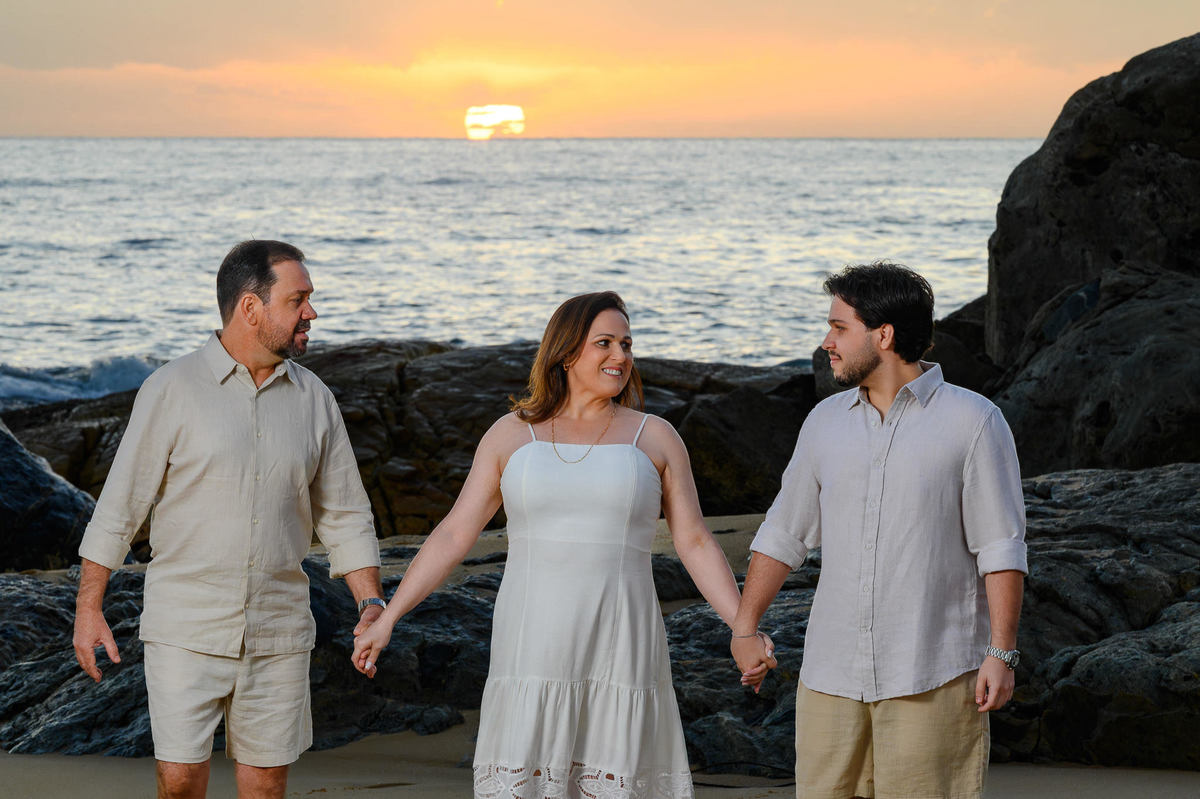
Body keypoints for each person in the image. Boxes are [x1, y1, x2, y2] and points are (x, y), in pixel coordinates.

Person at [352, 291, 765, 798]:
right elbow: (455, 534)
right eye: (605, 343)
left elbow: (696, 541)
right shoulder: (510, 434)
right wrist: (389, 617)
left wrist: (742, 629)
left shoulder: (654, 437)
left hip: (622, 638)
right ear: (567, 353)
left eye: (627, 344)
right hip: (533, 641)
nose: (621, 356)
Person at [72, 240, 386, 799]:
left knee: (266, 790)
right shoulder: (170, 389)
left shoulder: (316, 400)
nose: (311, 312)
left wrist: (370, 604)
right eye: (299, 300)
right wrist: (88, 608)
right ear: (250, 307)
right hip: (185, 629)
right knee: (180, 784)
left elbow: (345, 516)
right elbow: (121, 507)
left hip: (280, 631)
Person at [731, 262, 1027, 799]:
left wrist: (1001, 653)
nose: (827, 342)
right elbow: (784, 532)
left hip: (930, 672)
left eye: (840, 327)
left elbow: (1000, 548)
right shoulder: (824, 421)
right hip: (830, 676)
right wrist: (745, 627)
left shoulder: (975, 421)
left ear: (883, 334)